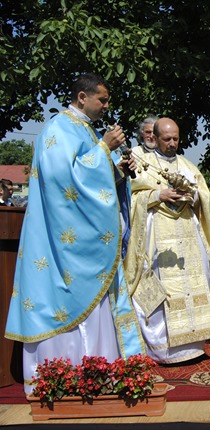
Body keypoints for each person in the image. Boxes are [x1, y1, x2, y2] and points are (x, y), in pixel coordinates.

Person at [4, 73, 144, 393]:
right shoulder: (59, 128)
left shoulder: (85, 129)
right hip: (62, 242)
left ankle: (98, 370)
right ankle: (63, 374)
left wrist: (119, 170)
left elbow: (92, 180)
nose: (106, 106)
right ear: (82, 97)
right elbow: (61, 180)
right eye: (102, 100)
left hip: (84, 240)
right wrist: (104, 148)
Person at [124, 117, 210, 364]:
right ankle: (162, 349)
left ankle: (193, 345)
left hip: (188, 235)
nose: (171, 143)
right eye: (166, 139)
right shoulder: (141, 163)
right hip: (157, 237)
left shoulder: (187, 166)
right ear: (154, 138)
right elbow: (127, 199)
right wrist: (158, 195)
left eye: (175, 139)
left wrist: (192, 196)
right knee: (160, 286)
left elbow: (203, 196)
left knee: (193, 283)